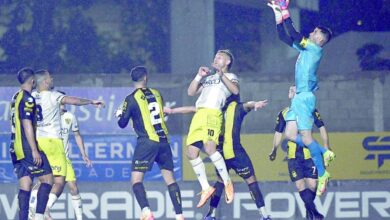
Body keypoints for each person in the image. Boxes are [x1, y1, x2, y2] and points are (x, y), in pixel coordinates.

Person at [267, 0, 335, 196]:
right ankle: (325, 153)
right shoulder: (306, 49)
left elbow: (295, 34)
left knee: (305, 138)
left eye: (315, 32)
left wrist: (286, 9)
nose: (312, 33)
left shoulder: (314, 49)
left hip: (304, 98)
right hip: (298, 97)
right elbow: (283, 36)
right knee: (290, 135)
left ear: (320, 40)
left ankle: (322, 173)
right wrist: (278, 14)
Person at [165, 96, 271, 220]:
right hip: (234, 153)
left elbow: (193, 109)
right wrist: (255, 104)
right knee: (250, 181)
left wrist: (172, 111)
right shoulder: (234, 107)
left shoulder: (215, 107)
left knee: (220, 183)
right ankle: (264, 215)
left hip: (220, 154)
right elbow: (248, 105)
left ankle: (211, 214)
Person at [32, 69, 104, 218]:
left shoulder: (32, 97)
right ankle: (44, 209)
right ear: (45, 81)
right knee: (59, 181)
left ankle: (34, 211)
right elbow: (74, 101)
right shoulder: (53, 96)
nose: (52, 80)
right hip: (53, 142)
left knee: (44, 180)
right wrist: (91, 101)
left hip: (38, 142)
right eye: (50, 78)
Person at [115, 66, 185, 220]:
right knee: (170, 179)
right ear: (145, 78)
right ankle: (179, 216)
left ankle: (146, 212)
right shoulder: (157, 94)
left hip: (147, 141)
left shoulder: (131, 98)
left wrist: (120, 114)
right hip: (164, 141)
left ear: (132, 79)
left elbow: (122, 123)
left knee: (136, 180)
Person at [186, 50, 239, 208]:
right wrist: (199, 76)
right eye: (215, 56)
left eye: (220, 57)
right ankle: (206, 188)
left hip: (213, 114)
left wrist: (221, 74)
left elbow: (235, 91)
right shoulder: (209, 78)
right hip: (199, 114)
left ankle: (227, 181)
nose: (216, 58)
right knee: (191, 152)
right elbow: (190, 92)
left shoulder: (230, 76)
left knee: (210, 147)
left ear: (228, 62)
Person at [269, 86, 328, 219]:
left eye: (294, 89)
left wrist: (326, 148)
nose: (290, 90)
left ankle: (310, 211)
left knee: (313, 185)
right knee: (300, 185)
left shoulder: (309, 109)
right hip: (293, 156)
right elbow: (278, 133)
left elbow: (322, 127)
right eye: (289, 89)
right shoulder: (284, 113)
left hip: (309, 153)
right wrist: (274, 150)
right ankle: (314, 213)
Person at [29, 96, 92, 220]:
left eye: (64, 104)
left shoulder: (70, 117)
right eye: (61, 103)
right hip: (49, 155)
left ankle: (79, 217)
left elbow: (77, 135)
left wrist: (84, 154)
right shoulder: (48, 117)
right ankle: (37, 208)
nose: (63, 106)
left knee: (73, 186)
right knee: (45, 182)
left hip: (64, 157)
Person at [10, 68, 53, 220]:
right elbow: (26, 123)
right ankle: (39, 216)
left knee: (25, 186)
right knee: (47, 179)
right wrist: (34, 150)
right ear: (32, 81)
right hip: (27, 147)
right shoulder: (28, 99)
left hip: (15, 148)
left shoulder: (16, 96)